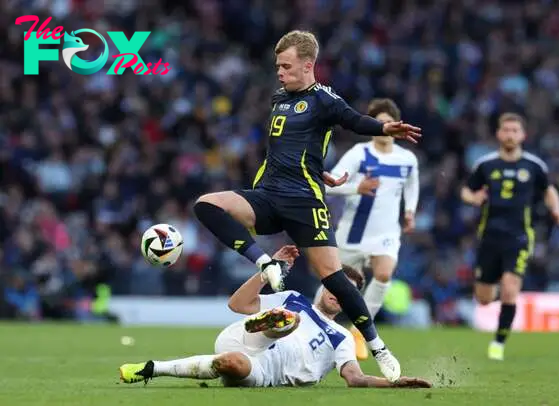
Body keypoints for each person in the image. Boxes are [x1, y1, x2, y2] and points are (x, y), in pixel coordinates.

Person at [191, 30, 421, 382]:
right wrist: (320, 169)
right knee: (206, 205)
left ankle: (377, 346)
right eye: (277, 66)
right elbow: (291, 149)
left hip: (304, 202)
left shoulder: (324, 99)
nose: (280, 72)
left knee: (334, 278)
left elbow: (354, 120)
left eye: (286, 66)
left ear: (308, 65)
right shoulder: (279, 99)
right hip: (267, 194)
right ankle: (264, 261)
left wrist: (384, 127)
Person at [119, 245, 432, 389]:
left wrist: (392, 384)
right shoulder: (293, 298)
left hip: (264, 369)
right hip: (245, 334)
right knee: (287, 315)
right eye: (336, 287)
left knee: (230, 363)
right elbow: (238, 304)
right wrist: (268, 271)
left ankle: (151, 368)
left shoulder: (342, 337)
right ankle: (276, 324)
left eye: (348, 293)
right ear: (326, 285)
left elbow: (354, 378)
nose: (339, 294)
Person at [461, 113, 559, 361]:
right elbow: (467, 189)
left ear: (523, 135)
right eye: (506, 130)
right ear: (498, 134)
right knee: (484, 299)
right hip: (489, 236)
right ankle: (493, 286)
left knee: (510, 289)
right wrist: (473, 198)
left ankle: (498, 342)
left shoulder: (534, 166)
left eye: (514, 130)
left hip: (518, 237)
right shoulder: (485, 164)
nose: (510, 134)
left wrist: (557, 211)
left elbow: (548, 190)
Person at [320, 98, 419, 360]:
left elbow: (411, 186)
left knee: (384, 274)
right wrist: (357, 188)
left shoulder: (407, 158)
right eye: (380, 123)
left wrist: (409, 212)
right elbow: (330, 184)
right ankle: (315, 327)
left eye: (389, 122)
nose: (385, 128)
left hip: (386, 234)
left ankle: (359, 334)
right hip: (352, 233)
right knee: (332, 285)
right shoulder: (359, 154)